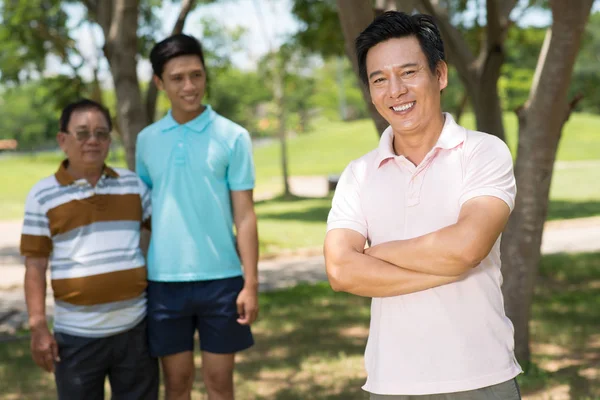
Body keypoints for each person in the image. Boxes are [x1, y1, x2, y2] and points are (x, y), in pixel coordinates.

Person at [324, 11, 522, 400]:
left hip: (480, 378)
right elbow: (341, 270)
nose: (395, 90)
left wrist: (378, 254)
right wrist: (450, 270)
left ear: (440, 74)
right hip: (390, 384)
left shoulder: (482, 153)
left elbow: (467, 247)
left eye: (408, 72)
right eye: (379, 79)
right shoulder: (358, 173)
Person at [136, 33, 259, 400]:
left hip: (222, 281)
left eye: (197, 75)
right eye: (177, 78)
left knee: (220, 385)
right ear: (159, 83)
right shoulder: (147, 140)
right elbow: (146, 214)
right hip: (163, 282)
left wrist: (250, 283)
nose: (190, 86)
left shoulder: (233, 136)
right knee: (176, 385)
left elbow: (246, 215)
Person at [20, 99, 158, 400]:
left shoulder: (133, 186)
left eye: (101, 133)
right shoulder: (42, 195)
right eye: (82, 133)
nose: (93, 141)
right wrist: (38, 327)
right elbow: (35, 266)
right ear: (62, 140)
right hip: (76, 339)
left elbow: (162, 234)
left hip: (136, 332)